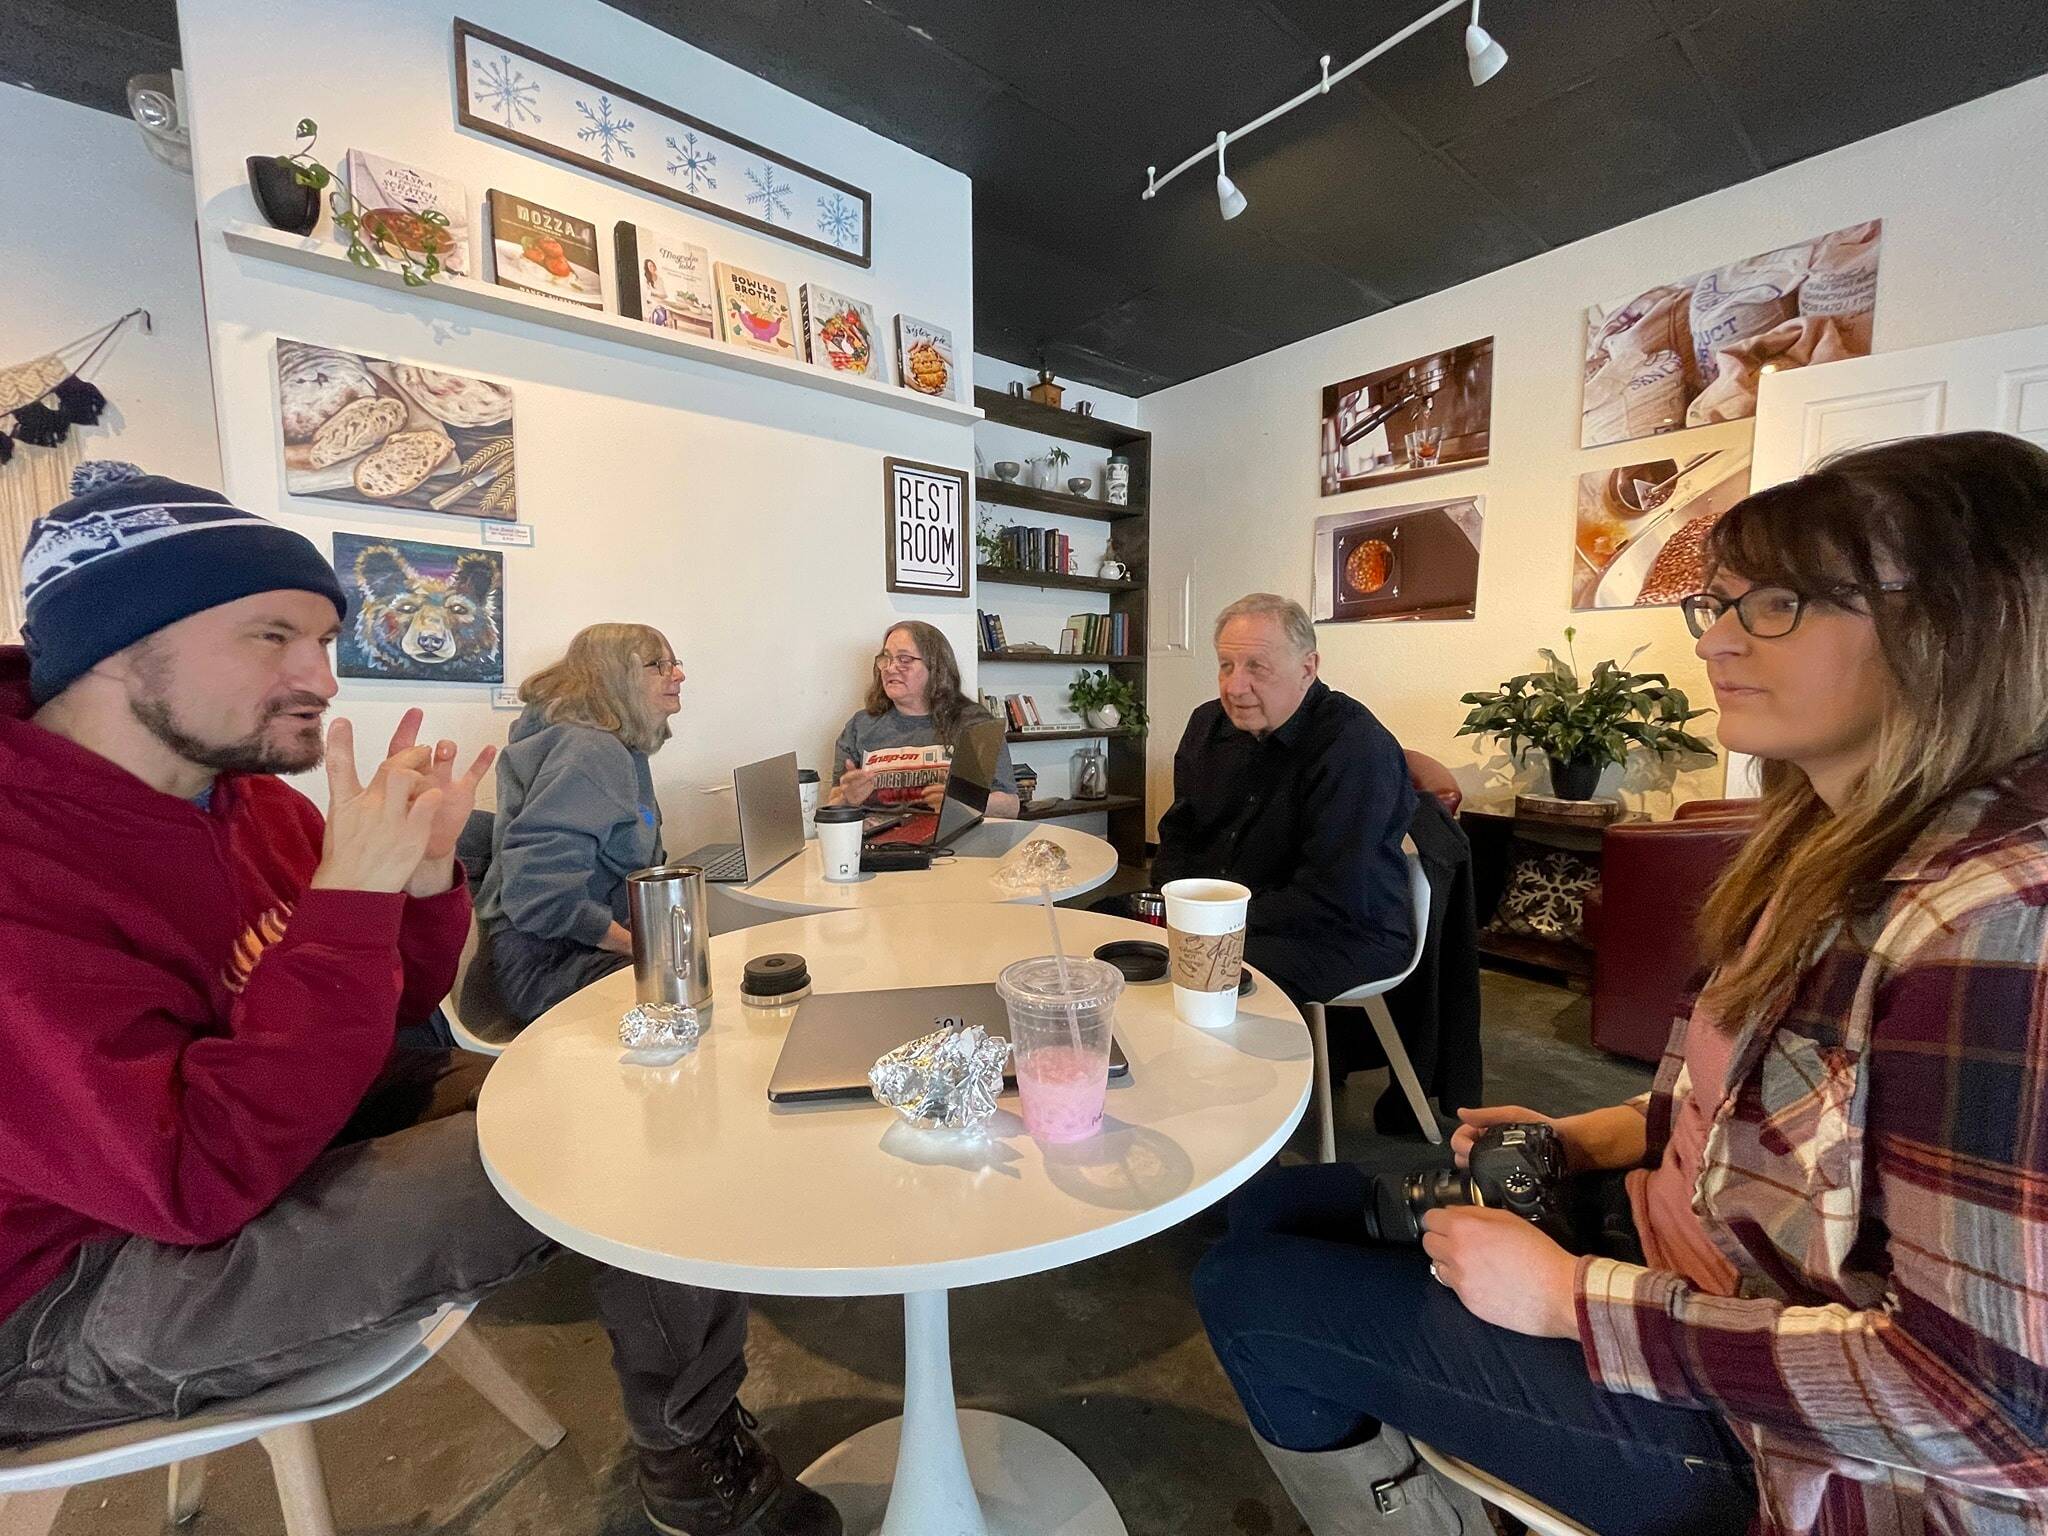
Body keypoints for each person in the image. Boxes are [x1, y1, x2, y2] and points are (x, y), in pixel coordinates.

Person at [1194, 432, 2048, 1536]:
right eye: (1719, 606)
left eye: (1772, 605)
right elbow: (1749, 1103)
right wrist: (1592, 1139)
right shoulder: (1815, 845)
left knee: (1247, 1291)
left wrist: (1569, 1300)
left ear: (1956, 621)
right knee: (1266, 1211)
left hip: (1770, 1442)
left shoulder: (1999, 927)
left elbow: (1984, 1406)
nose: (1716, 644)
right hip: (1667, 1243)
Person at [0, 464, 839, 1536]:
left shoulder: (248, 805)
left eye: (325, 641)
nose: (322, 679)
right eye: (272, 636)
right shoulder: (25, 863)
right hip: (64, 1290)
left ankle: (687, 1440)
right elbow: (188, 1180)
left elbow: (395, 1012)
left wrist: (424, 880)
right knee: (635, 1157)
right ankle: (694, 1467)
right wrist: (350, 900)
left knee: (658, 1092)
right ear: (117, 644)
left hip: (275, 1146)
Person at [1152, 593, 1416, 1006]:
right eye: (1226, 665)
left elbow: (1333, 893)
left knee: (1200, 972)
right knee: (1101, 930)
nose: (1234, 687)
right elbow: (1180, 833)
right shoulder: (1207, 725)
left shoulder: (1353, 745)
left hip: (1338, 932)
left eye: (1256, 666)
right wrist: (1174, 903)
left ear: (1307, 668)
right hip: (1223, 916)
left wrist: (1213, 922)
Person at [473, 623, 683, 1029]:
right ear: (616, 677)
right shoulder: (590, 751)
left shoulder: (612, 746)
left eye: (675, 663)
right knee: (696, 989)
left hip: (562, 951)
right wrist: (647, 951)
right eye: (660, 665)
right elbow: (538, 891)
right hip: (549, 962)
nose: (678, 674)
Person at [828, 619, 1020, 817]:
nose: (890, 668)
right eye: (886, 658)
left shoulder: (974, 723)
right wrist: (847, 799)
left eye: (904, 659)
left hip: (952, 843)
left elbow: (1010, 806)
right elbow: (833, 805)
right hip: (877, 843)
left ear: (936, 667)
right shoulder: (860, 726)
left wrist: (959, 801)